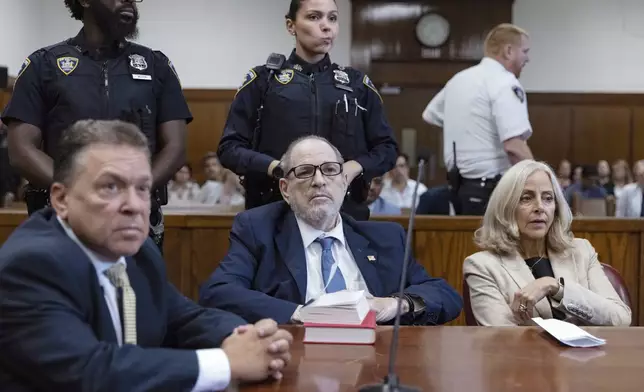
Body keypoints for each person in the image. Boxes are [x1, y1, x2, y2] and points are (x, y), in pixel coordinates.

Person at [0, 120, 293, 391]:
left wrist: (245, 337)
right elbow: (91, 371)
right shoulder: (30, 267)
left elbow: (183, 318)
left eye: (142, 188)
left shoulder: (139, 252)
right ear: (61, 199)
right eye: (110, 187)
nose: (134, 206)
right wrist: (227, 363)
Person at [199, 136, 463, 325]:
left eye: (330, 170)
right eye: (304, 172)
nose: (319, 181)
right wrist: (301, 314)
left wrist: (394, 304)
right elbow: (218, 292)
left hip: (374, 363)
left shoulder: (386, 238)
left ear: (344, 182)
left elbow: (445, 295)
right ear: (285, 189)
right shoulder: (259, 229)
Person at [0, 0, 191, 251]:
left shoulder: (155, 65)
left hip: (133, 224)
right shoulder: (43, 65)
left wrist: (130, 193)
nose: (129, 1)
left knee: (134, 290)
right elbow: (21, 149)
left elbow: (175, 147)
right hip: (63, 222)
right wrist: (79, 193)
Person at [217, 0, 398, 220]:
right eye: (314, 17)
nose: (326, 26)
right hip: (273, 212)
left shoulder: (356, 84)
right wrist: (276, 167)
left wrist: (354, 167)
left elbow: (387, 148)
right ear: (291, 25)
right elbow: (229, 148)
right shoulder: (263, 81)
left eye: (332, 18)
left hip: (344, 213)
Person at [463, 160, 631, 326]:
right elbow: (500, 338)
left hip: (587, 353)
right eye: (526, 198)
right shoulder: (482, 266)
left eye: (548, 198)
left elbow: (620, 319)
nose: (539, 207)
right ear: (506, 208)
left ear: (556, 208)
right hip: (524, 354)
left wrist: (556, 288)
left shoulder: (581, 251)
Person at [422, 23, 534, 215]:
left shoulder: (459, 79)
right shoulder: (504, 81)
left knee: (470, 245)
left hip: (459, 188)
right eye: (524, 51)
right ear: (509, 51)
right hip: (492, 190)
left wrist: (468, 128)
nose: (528, 58)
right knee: (495, 245)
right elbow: (514, 147)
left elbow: (431, 115)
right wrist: (542, 180)